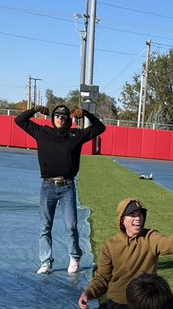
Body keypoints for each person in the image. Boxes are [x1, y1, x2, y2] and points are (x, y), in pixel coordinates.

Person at [14, 101, 106, 275]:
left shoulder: (76, 135)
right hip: (47, 186)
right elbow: (19, 121)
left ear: (68, 120)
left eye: (63, 117)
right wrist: (34, 110)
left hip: (67, 187)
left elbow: (100, 128)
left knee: (71, 225)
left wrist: (85, 113)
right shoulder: (42, 132)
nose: (60, 119)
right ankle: (46, 262)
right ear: (52, 118)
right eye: (57, 116)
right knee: (45, 226)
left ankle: (74, 257)